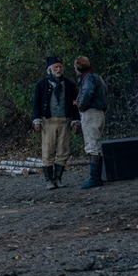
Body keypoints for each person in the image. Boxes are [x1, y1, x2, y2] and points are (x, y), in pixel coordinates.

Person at [32, 56, 80, 189]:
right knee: (48, 151)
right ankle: (49, 180)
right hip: (48, 121)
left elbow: (74, 104)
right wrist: (37, 121)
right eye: (56, 67)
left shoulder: (69, 84)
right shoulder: (41, 84)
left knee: (63, 150)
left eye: (60, 67)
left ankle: (58, 178)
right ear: (50, 69)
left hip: (63, 121)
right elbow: (36, 104)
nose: (58, 69)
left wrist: (76, 121)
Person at [73, 56, 107, 189]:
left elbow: (87, 93)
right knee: (96, 145)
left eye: (75, 67)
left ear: (78, 67)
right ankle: (96, 177)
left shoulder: (88, 78)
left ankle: (95, 178)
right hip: (98, 112)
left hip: (91, 113)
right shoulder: (96, 76)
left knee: (92, 145)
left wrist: (80, 105)